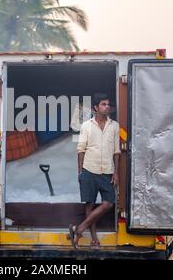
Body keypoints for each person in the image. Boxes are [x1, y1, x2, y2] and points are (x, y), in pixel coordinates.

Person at [68, 93, 120, 250]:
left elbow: (117, 151)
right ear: (96, 108)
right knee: (89, 204)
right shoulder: (86, 126)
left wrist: (116, 172)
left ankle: (79, 229)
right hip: (89, 170)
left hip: (107, 172)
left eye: (108, 104)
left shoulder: (114, 126)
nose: (107, 107)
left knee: (108, 203)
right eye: (103, 104)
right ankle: (94, 240)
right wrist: (80, 173)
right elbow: (80, 150)